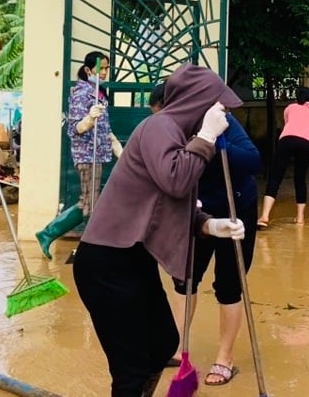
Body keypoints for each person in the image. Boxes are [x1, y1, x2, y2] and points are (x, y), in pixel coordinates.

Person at [72, 64, 246, 397]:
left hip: (133, 259)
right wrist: (207, 136)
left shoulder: (175, 136)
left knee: (164, 340)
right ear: (198, 101)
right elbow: (176, 181)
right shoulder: (159, 126)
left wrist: (209, 225)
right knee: (131, 368)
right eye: (217, 105)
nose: (222, 112)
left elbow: (165, 203)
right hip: (107, 263)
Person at [163, 85, 262, 387]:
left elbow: (253, 161)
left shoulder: (224, 122)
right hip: (197, 212)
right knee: (185, 278)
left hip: (235, 207)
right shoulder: (169, 128)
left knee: (229, 284)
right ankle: (179, 346)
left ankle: (225, 357)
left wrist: (218, 141)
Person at [36, 51, 121, 261]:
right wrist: (89, 119)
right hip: (87, 155)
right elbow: (74, 129)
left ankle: (48, 233)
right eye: (100, 68)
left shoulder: (99, 93)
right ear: (87, 70)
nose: (104, 72)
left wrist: (119, 149)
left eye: (106, 68)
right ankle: (92, 248)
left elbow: (105, 129)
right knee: (91, 204)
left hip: (99, 153)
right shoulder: (81, 94)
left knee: (88, 202)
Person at [258, 87, 309, 228]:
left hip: (286, 141)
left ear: (297, 98)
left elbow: (288, 125)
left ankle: (265, 216)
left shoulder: (290, 108)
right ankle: (300, 219)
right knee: (300, 179)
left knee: (275, 178)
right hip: (306, 144)